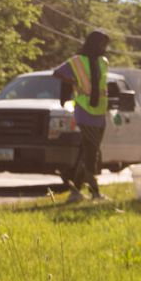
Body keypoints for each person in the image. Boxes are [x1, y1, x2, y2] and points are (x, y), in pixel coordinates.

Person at [52, 30, 111, 203]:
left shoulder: (103, 62)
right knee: (92, 153)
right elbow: (57, 73)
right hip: (85, 111)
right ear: (94, 43)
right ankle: (95, 193)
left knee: (88, 152)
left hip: (100, 111)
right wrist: (74, 83)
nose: (105, 48)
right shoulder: (77, 61)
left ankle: (75, 192)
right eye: (102, 44)